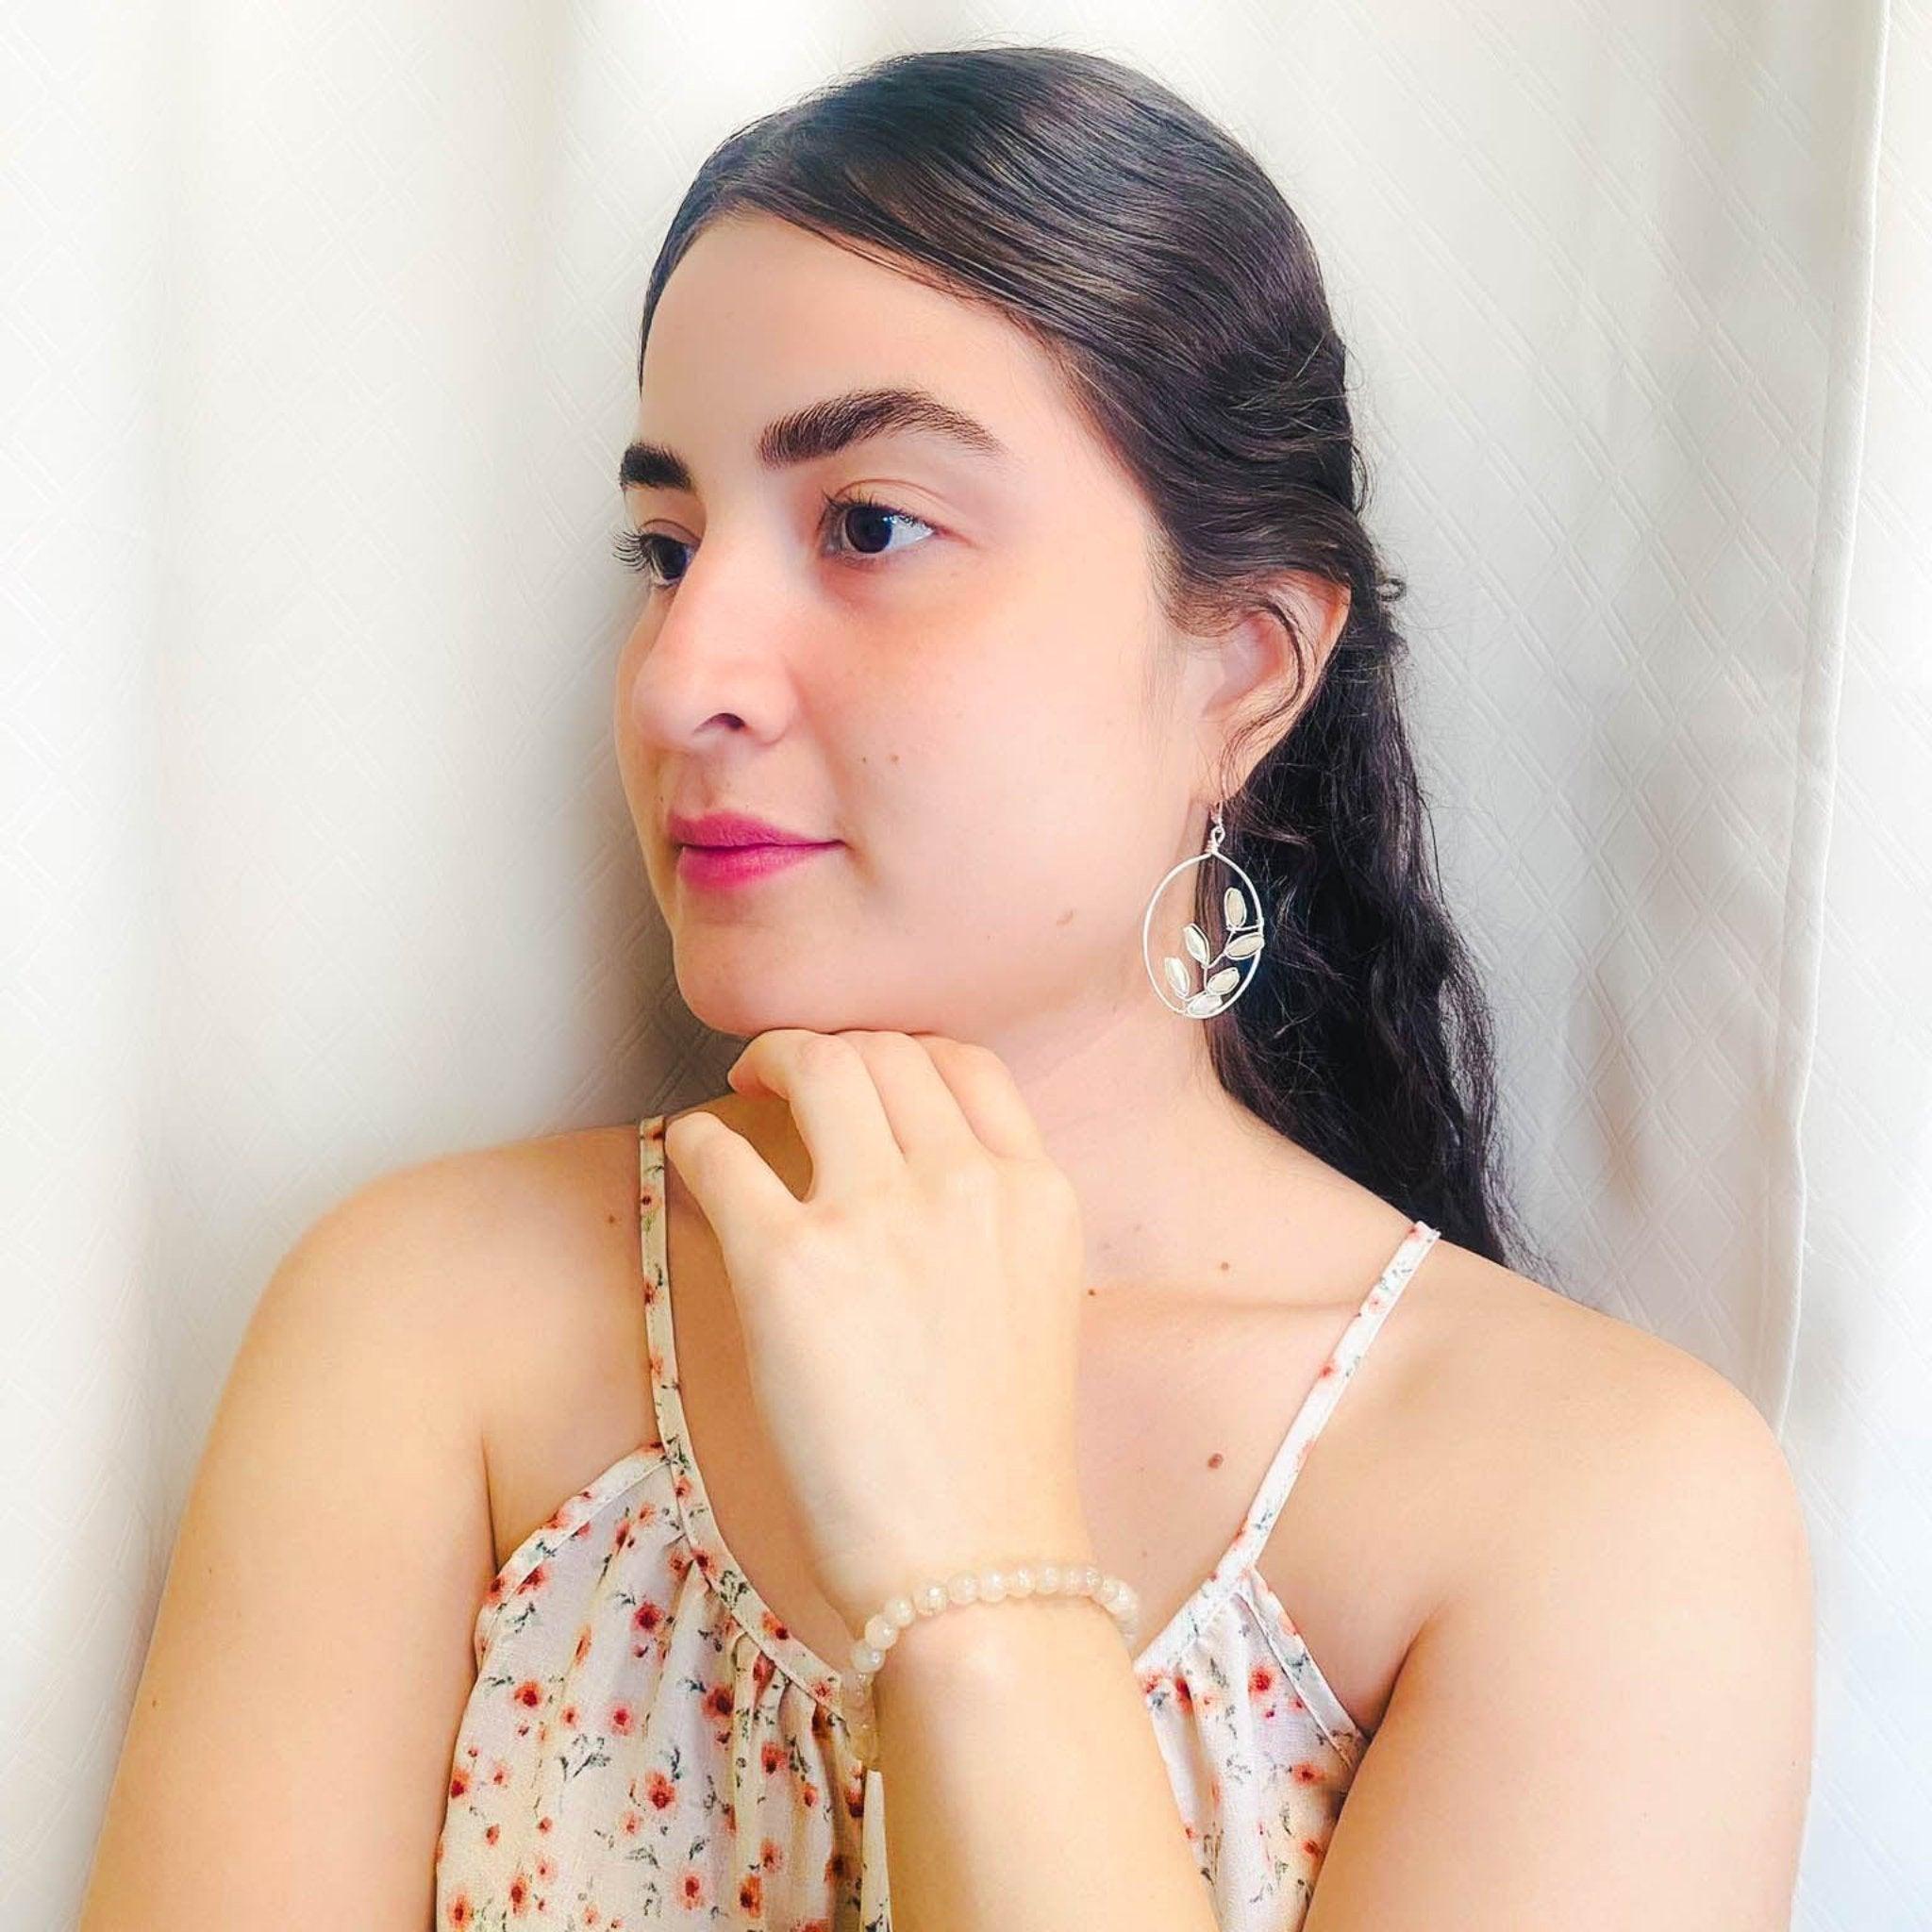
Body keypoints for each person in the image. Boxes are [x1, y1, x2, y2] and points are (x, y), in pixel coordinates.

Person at [78, 43, 1814, 1932]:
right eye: (667, 549)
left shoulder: (1595, 1506)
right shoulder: (428, 1330)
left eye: (871, 526)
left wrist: (974, 1575)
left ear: (1244, 666)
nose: (680, 679)